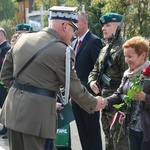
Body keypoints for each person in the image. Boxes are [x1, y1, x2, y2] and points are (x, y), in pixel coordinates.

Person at [0, 6, 105, 150]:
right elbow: (74, 89)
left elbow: (5, 75)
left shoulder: (23, 38)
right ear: (64, 26)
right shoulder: (62, 50)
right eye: (73, 30)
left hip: (12, 113)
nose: (73, 35)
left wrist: (24, 91)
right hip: (37, 119)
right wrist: (94, 103)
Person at [102, 36, 150, 150]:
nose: (126, 60)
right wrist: (105, 101)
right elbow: (119, 94)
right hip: (133, 129)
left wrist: (145, 98)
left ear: (143, 55)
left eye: (130, 56)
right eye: (125, 56)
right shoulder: (128, 74)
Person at [88, 13, 128, 150]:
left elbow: (128, 77)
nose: (103, 28)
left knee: (120, 142)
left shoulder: (124, 49)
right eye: (103, 25)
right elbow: (95, 70)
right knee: (108, 140)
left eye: (108, 25)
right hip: (105, 103)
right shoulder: (104, 49)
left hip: (119, 105)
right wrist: (92, 81)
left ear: (118, 27)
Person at [71, 11, 103, 150]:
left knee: (92, 132)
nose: (74, 25)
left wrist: (96, 93)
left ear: (85, 22)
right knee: (82, 131)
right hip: (76, 96)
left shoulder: (94, 41)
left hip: (89, 96)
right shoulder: (73, 43)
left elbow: (99, 69)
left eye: (76, 21)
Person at [0, 27, 11, 139]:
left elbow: (4, 66)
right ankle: (5, 127)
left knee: (5, 105)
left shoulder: (6, 48)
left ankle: (8, 129)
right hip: (1, 83)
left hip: (4, 84)